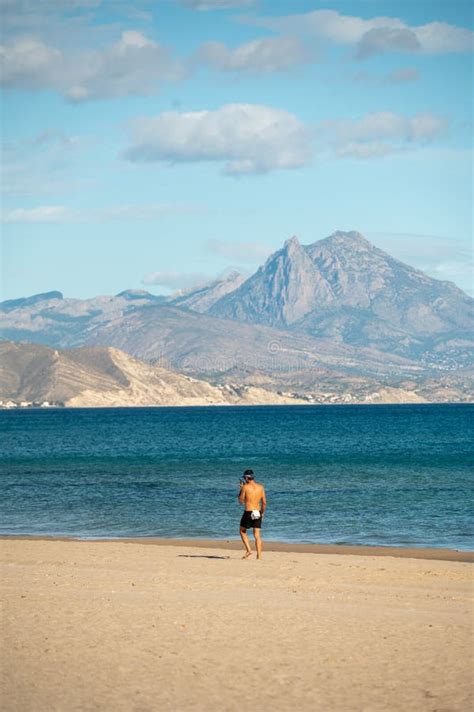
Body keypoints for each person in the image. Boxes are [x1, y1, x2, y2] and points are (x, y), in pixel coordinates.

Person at [238, 469, 266, 560]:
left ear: (246, 477)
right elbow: (264, 502)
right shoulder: (261, 487)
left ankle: (249, 550)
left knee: (242, 531)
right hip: (257, 512)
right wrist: (262, 512)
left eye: (244, 478)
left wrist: (241, 489)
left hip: (249, 512)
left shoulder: (245, 487)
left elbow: (240, 501)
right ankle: (259, 556)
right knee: (257, 534)